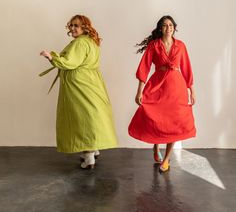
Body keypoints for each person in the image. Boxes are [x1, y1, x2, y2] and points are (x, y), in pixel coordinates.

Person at [40, 14, 118, 169]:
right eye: (72, 25)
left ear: (85, 28)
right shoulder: (92, 42)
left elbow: (70, 62)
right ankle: (93, 148)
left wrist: (51, 57)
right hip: (92, 82)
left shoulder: (80, 43)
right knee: (91, 114)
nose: (73, 28)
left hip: (79, 84)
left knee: (81, 116)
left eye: (77, 26)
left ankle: (89, 157)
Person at [128, 15, 196, 173]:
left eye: (171, 25)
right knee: (156, 118)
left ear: (174, 28)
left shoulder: (181, 46)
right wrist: (139, 91)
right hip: (157, 85)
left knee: (174, 123)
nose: (168, 28)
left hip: (176, 88)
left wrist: (191, 90)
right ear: (160, 28)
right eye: (165, 25)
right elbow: (144, 68)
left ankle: (166, 160)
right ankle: (156, 145)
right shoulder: (153, 46)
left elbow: (186, 68)